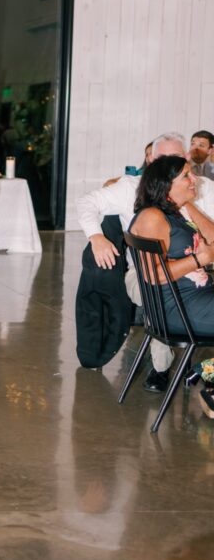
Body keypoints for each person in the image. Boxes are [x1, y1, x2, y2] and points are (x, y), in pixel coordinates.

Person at [76, 132, 214, 389]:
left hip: (192, 282)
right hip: (153, 282)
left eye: (178, 159)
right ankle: (165, 369)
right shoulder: (135, 194)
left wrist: (187, 205)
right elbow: (154, 275)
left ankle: (201, 372)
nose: (190, 176)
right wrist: (97, 237)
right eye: (164, 159)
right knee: (159, 301)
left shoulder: (194, 190)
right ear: (152, 161)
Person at [128, 155, 214, 336]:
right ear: (165, 184)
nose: (195, 179)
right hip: (179, 310)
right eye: (186, 175)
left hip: (198, 298)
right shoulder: (152, 217)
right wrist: (200, 259)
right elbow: (153, 274)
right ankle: (206, 366)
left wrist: (186, 203)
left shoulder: (176, 212)